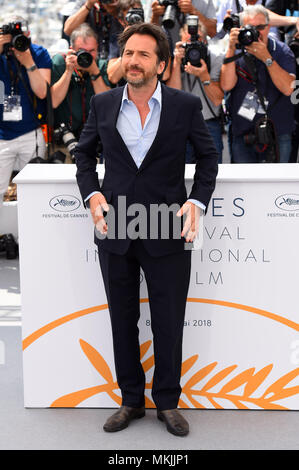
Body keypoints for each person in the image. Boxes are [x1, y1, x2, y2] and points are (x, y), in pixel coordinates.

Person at [75, 22, 218, 436]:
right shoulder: (103, 105)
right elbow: (83, 156)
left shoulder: (184, 106)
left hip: (166, 227)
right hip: (114, 226)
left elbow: (209, 159)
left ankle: (168, 402)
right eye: (128, 54)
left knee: (169, 320)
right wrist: (93, 194)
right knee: (122, 319)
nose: (133, 62)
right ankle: (131, 401)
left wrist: (196, 200)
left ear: (160, 64)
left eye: (143, 55)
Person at [220, 4, 296, 163]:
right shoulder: (236, 51)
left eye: (260, 27)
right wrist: (231, 49)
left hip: (278, 132)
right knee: (244, 187)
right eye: (249, 28)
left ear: (268, 27)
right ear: (240, 28)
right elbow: (226, 85)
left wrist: (267, 58)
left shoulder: (281, 51)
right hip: (244, 133)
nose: (255, 33)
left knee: (277, 186)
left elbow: (289, 89)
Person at [0, 15, 51, 205]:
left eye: (19, 36)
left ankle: (34, 233)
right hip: (1, 134)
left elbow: (42, 92)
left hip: (31, 132)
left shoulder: (38, 53)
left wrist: (29, 63)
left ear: (28, 34)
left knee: (34, 191)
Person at [166, 17, 224, 161]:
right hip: (181, 125)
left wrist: (204, 76)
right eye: (188, 45)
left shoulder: (215, 57)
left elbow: (217, 100)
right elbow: (173, 93)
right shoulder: (176, 58)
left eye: (197, 44)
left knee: (212, 171)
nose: (193, 50)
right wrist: (177, 62)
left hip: (208, 124)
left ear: (205, 42)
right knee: (181, 174)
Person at [51, 23, 113, 151]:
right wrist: (68, 71)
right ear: (72, 48)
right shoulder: (61, 63)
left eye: (92, 51)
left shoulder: (101, 66)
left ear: (98, 48)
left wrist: (94, 72)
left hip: (94, 142)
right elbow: (53, 101)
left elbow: (108, 105)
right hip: (65, 141)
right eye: (82, 51)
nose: (88, 56)